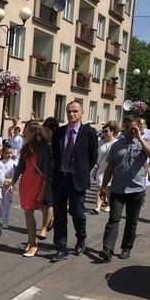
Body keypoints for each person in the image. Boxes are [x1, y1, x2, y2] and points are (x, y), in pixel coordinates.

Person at [99, 115, 150, 261]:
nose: (129, 130)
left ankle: (126, 247)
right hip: (118, 188)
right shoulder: (116, 145)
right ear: (123, 127)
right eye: (127, 127)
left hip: (136, 189)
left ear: (138, 127)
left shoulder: (143, 143)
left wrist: (139, 137)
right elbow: (110, 167)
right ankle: (107, 249)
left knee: (131, 221)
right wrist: (103, 187)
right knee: (114, 218)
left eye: (133, 127)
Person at [50, 101, 98, 262]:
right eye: (69, 111)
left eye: (75, 111)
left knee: (77, 213)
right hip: (60, 179)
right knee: (59, 214)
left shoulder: (89, 132)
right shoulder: (58, 132)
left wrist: (82, 171)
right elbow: (54, 155)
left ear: (82, 113)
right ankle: (61, 247)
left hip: (77, 179)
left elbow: (93, 157)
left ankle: (81, 237)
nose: (72, 114)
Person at [7, 122, 52, 257]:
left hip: (39, 180)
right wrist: (12, 182)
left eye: (26, 131)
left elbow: (47, 169)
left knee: (32, 210)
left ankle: (33, 243)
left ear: (33, 132)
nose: (23, 133)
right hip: (26, 181)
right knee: (28, 211)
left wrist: (44, 188)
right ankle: (31, 241)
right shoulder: (26, 147)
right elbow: (20, 166)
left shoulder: (45, 148)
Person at [92, 121, 118, 213]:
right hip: (100, 168)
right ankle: (97, 207)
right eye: (103, 131)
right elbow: (94, 154)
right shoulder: (99, 143)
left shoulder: (117, 143)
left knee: (108, 188)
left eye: (106, 131)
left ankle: (109, 205)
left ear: (112, 131)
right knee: (100, 187)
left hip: (111, 169)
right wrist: (95, 163)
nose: (104, 133)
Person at [0, 145, 16, 229]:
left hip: (8, 186)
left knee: (6, 204)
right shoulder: (0, 162)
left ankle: (5, 221)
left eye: (11, 153)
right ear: (2, 153)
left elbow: (16, 173)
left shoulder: (13, 163)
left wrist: (12, 183)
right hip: (0, 186)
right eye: (7, 153)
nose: (9, 154)